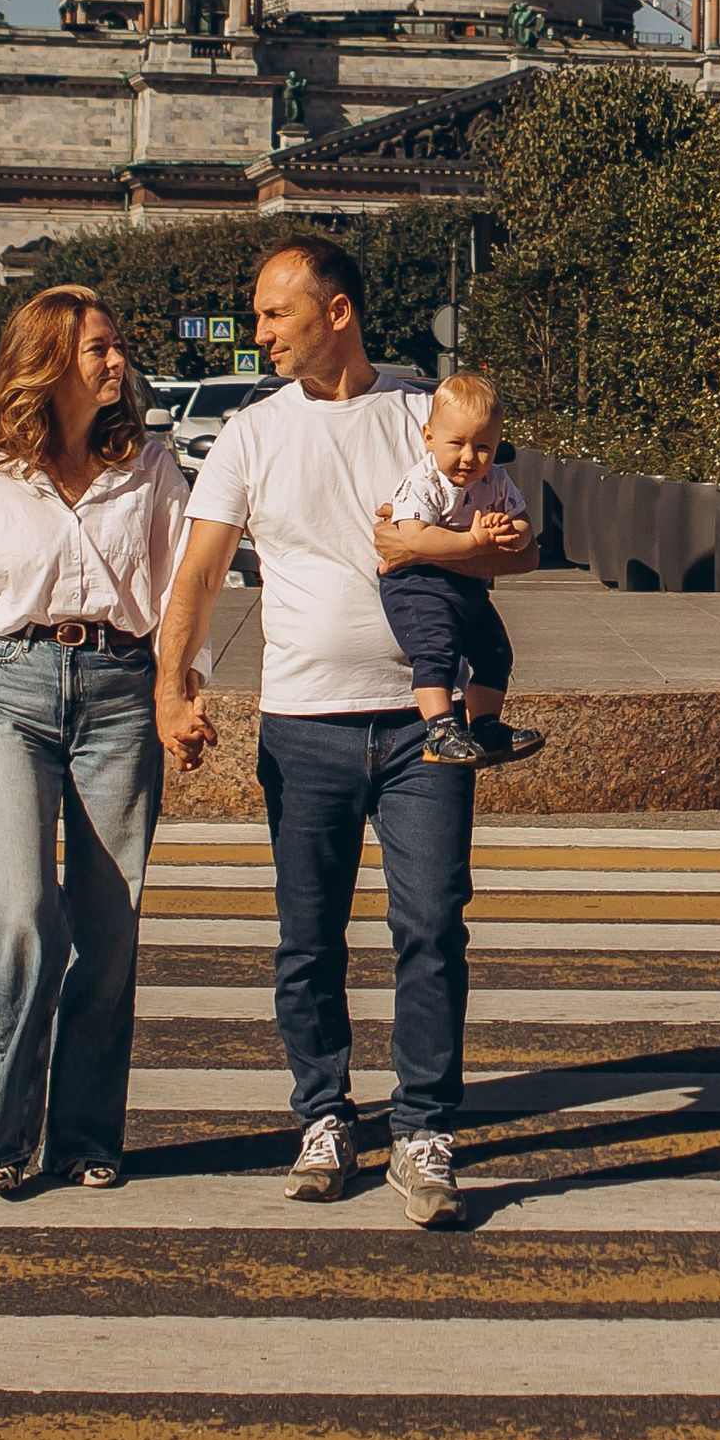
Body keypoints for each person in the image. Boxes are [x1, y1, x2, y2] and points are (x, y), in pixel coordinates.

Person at [154, 236, 539, 1228]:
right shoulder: (249, 434)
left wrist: (428, 543)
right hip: (302, 722)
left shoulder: (425, 419)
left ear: (337, 313)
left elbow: (513, 549)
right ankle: (323, 1113)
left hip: (423, 728)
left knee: (429, 928)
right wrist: (176, 685)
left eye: (275, 314)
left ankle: (422, 1129)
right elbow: (198, 576)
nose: (260, 334)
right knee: (306, 941)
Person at [0, 284, 201, 1196]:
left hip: (119, 693)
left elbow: (182, 590)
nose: (119, 363)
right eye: (100, 349)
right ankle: (10, 1119)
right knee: (26, 914)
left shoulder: (151, 466)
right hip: (13, 693)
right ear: (50, 360)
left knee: (109, 932)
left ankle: (85, 1135)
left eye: (118, 346)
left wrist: (178, 693)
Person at [376, 366, 546, 765]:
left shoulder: (497, 481)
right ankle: (439, 729)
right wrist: (474, 542)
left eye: (484, 447)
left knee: (495, 649)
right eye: (458, 444)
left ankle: (485, 723)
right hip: (416, 584)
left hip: (466, 588)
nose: (470, 457)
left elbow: (524, 528)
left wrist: (509, 531)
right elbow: (414, 539)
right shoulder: (423, 482)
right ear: (429, 437)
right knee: (436, 651)